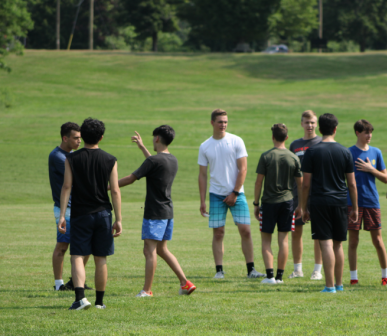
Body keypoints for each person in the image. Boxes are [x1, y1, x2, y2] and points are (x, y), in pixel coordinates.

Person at [114, 126, 196, 297]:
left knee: (149, 250)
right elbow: (154, 164)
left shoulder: (154, 162)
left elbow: (131, 178)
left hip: (154, 213)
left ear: (157, 138)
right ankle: (185, 283)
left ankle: (147, 290)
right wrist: (143, 148)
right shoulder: (172, 159)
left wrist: (108, 187)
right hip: (167, 212)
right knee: (162, 249)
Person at [58, 118, 122, 310]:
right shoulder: (110, 159)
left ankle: (80, 298)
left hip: (80, 214)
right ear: (101, 138)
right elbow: (116, 191)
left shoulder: (71, 158)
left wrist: (62, 215)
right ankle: (100, 302)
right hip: (103, 214)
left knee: (77, 255)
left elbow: (67, 186)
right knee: (101, 257)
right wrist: (118, 219)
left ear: (82, 136)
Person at [198, 109, 265, 279]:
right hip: (216, 195)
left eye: (226, 122)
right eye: (220, 121)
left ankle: (251, 270)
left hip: (238, 194)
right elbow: (202, 175)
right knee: (218, 232)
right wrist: (202, 200)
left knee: (246, 231)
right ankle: (219, 271)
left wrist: (235, 193)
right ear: (212, 123)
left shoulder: (236, 141)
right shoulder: (205, 146)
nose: (223, 125)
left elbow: (243, 169)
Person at [300, 113, 358, 293]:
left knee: (325, 243)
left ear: (319, 129)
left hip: (320, 201)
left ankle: (329, 286)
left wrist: (303, 207)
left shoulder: (312, 151)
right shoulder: (345, 151)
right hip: (340, 202)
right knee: (338, 243)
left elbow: (306, 183)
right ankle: (339, 284)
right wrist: (355, 207)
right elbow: (352, 184)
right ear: (335, 129)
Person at [253, 124, 303, 284]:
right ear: (286, 138)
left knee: (266, 240)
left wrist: (256, 203)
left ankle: (269, 276)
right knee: (284, 240)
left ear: (272, 137)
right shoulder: (294, 157)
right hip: (288, 203)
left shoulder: (266, 156)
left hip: (268, 203)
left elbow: (258, 182)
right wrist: (301, 205)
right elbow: (301, 185)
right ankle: (280, 277)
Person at [346, 120, 387, 286]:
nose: (369, 135)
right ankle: (353, 278)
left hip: (372, 201)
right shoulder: (349, 153)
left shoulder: (376, 152)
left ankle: (386, 276)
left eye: (370, 132)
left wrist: (371, 170)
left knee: (377, 240)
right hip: (352, 203)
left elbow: (386, 179)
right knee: (353, 241)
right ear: (357, 133)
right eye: (366, 132)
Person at [48, 122, 91, 291]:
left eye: (80, 138)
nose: (79, 141)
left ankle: (75, 281)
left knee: (86, 245)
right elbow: (80, 176)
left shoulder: (72, 154)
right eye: (75, 138)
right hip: (66, 209)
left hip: (80, 207)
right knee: (63, 246)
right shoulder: (58, 156)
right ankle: (58, 284)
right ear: (65, 138)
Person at [288, 110, 323, 280]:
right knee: (296, 231)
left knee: (318, 233)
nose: (309, 126)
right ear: (301, 124)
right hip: (297, 194)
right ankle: (297, 269)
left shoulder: (322, 142)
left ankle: (317, 270)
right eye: (306, 122)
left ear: (316, 124)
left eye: (312, 122)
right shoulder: (294, 145)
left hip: (317, 193)